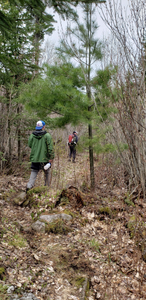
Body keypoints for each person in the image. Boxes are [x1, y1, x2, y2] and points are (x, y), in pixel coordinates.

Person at [26, 120, 54, 192]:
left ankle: (29, 187)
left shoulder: (32, 135)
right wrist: (51, 157)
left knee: (34, 172)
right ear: (43, 127)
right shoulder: (47, 135)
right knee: (47, 172)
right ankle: (47, 188)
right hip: (44, 159)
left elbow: (29, 145)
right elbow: (50, 147)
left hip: (35, 158)